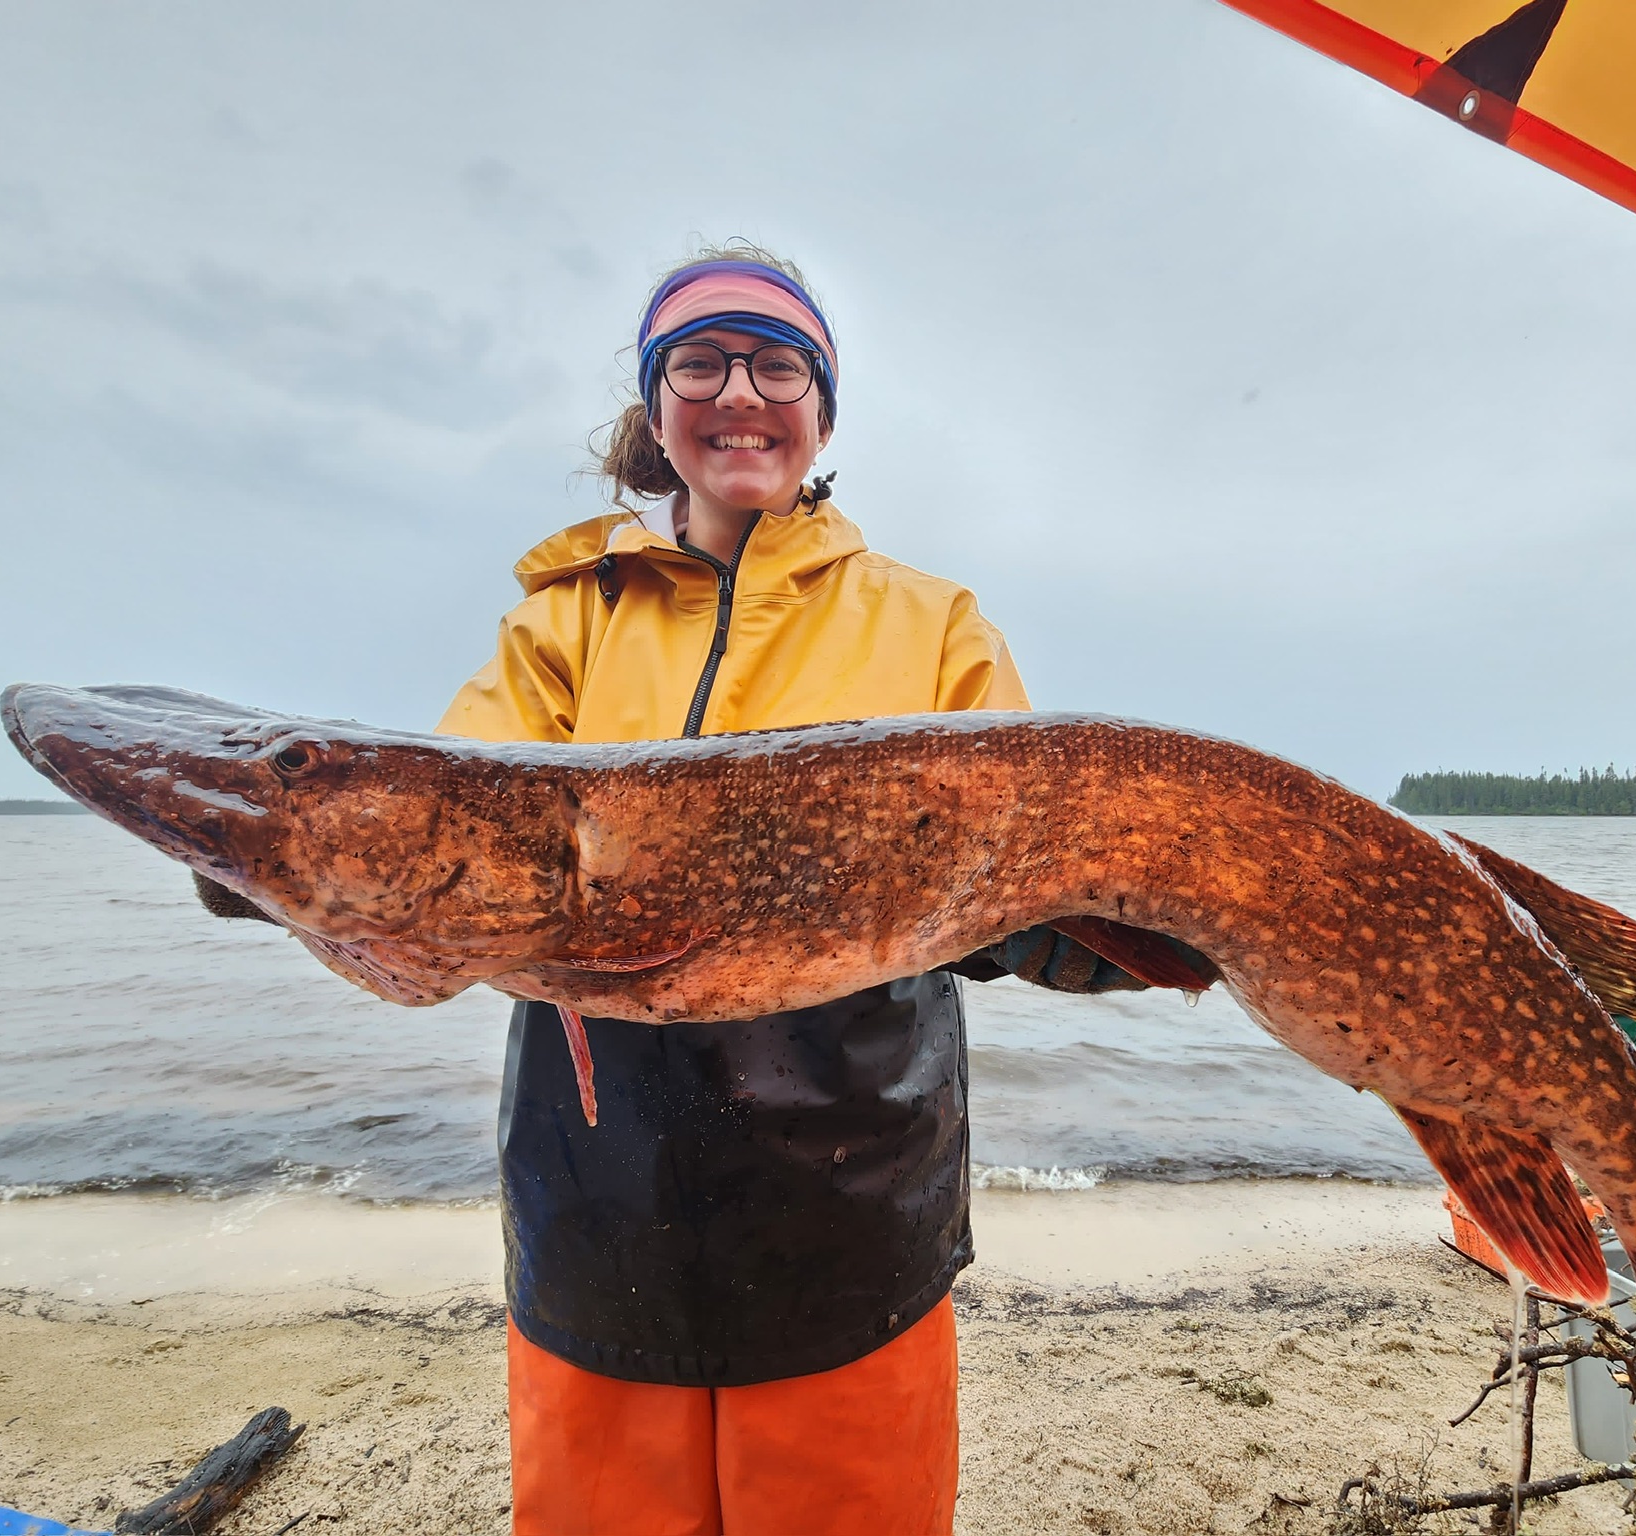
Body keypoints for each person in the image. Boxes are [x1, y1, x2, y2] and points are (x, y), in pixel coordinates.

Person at [438, 242, 1156, 1536]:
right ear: (655, 412)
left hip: (856, 1195)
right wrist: (303, 873)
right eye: (698, 363)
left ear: (824, 410)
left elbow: (1023, 852)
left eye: (778, 365)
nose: (740, 393)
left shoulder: (935, 623)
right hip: (597, 1189)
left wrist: (1050, 932)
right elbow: (462, 852)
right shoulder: (561, 625)